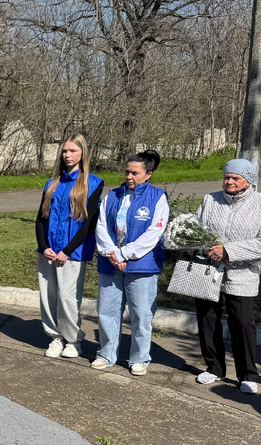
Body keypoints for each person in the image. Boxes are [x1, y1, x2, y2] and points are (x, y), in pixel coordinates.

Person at [192, 159, 261, 394]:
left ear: (248, 181)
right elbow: (195, 230)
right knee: (207, 319)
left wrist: (229, 252)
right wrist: (202, 247)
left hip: (242, 273)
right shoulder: (211, 199)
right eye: (227, 177)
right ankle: (214, 367)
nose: (229, 181)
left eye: (235, 178)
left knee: (241, 322)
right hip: (208, 270)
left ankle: (247, 374)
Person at [92, 150, 168, 375]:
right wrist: (113, 253)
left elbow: (155, 232)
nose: (129, 176)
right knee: (107, 311)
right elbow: (101, 227)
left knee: (141, 314)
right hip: (111, 263)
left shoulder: (158, 197)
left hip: (141, 265)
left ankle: (139, 358)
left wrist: (125, 254)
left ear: (148, 175)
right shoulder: (112, 196)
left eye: (135, 173)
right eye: (127, 171)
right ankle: (106, 354)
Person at [35, 134, 104, 359]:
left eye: (73, 151)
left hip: (72, 253)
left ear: (82, 153)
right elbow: (41, 219)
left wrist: (67, 251)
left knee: (67, 297)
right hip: (49, 251)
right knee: (49, 296)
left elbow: (88, 224)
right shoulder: (52, 183)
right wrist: (44, 245)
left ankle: (73, 340)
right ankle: (55, 337)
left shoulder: (92, 183)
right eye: (65, 151)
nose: (67, 155)